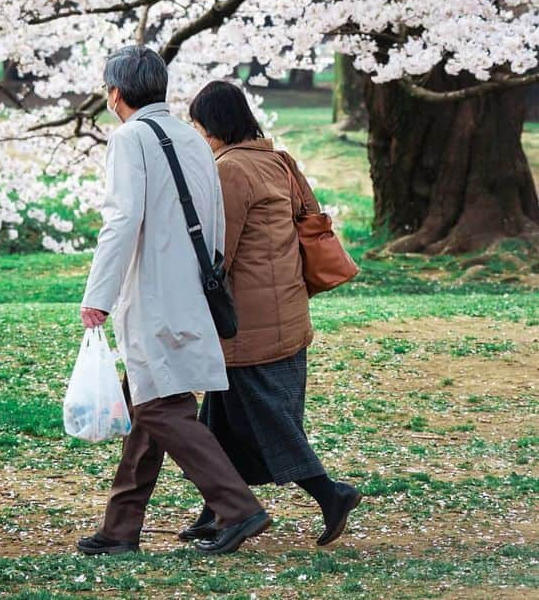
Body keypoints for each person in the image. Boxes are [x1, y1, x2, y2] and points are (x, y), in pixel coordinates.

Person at [76, 46, 271, 558]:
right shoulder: (193, 138)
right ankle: (120, 528)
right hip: (192, 290)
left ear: (115, 93)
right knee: (150, 406)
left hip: (153, 295)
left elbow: (121, 219)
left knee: (162, 408)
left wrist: (97, 296)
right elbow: (215, 220)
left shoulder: (130, 138)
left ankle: (238, 508)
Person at [186, 79, 361, 547]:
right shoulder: (275, 159)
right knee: (220, 418)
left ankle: (331, 494)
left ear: (215, 125)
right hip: (285, 309)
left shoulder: (230, 170)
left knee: (267, 420)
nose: (199, 136)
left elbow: (219, 252)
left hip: (249, 321)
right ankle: (216, 509)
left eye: (200, 126)